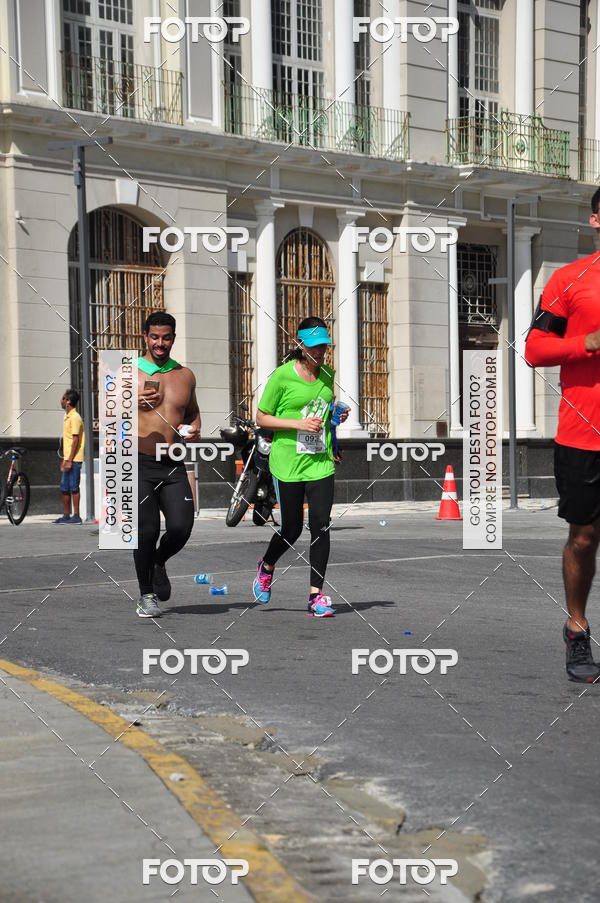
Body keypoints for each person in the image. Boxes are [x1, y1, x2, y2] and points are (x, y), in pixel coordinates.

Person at [525, 187, 600, 682]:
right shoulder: (570, 279)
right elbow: (534, 348)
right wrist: (586, 343)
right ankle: (576, 628)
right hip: (583, 434)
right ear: (596, 219)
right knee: (584, 537)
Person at [252, 316, 349, 617]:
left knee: (321, 524)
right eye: (314, 347)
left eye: (324, 346)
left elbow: (322, 411)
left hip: (319, 461)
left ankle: (315, 596)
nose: (320, 352)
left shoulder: (327, 375)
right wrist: (297, 424)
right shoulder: (282, 376)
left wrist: (336, 417)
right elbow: (262, 417)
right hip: (288, 462)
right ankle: (267, 565)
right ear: (300, 345)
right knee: (291, 528)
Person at [134, 311, 201, 618]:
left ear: (174, 337)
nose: (160, 343)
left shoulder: (185, 375)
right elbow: (104, 416)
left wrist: (195, 427)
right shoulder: (128, 372)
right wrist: (131, 402)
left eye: (166, 337)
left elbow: (192, 413)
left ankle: (158, 561)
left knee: (181, 527)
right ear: (145, 336)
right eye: (154, 337)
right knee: (146, 531)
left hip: (173, 462)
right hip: (138, 462)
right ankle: (146, 594)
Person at [53, 389, 84, 525]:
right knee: (64, 487)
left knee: (74, 487)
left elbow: (75, 440)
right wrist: (64, 460)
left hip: (75, 459)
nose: (61, 400)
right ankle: (66, 515)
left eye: (63, 398)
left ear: (68, 401)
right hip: (68, 458)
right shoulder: (67, 416)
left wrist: (70, 460)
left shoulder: (75, 417)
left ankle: (76, 516)